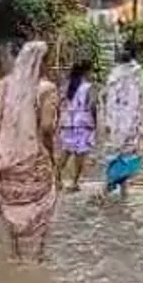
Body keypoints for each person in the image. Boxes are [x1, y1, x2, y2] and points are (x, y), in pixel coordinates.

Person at [0, 40, 58, 262]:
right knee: (39, 215)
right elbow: (47, 128)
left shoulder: (3, 86)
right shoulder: (46, 90)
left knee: (12, 214)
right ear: (42, 63)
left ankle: (15, 257)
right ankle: (37, 259)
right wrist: (53, 156)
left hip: (6, 164)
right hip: (34, 162)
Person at [102, 39, 143, 198]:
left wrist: (107, 120)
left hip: (115, 120)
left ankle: (117, 189)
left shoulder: (114, 73)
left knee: (116, 153)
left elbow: (108, 97)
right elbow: (142, 98)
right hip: (130, 119)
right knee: (128, 155)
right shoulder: (137, 72)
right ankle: (112, 189)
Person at [56, 59, 98, 192]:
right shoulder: (88, 87)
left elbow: (62, 103)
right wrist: (95, 122)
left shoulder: (68, 85)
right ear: (87, 71)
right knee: (80, 153)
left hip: (68, 122)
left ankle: (56, 178)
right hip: (83, 123)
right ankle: (74, 182)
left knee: (66, 151)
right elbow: (92, 105)